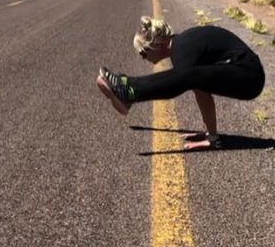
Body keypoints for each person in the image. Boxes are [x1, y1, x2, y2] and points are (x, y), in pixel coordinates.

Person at [97, 16, 265, 149]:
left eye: (144, 52)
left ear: (158, 43)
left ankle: (130, 91)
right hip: (246, 72)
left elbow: (197, 90)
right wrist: (209, 134)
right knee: (190, 77)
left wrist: (212, 138)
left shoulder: (182, 51)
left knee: (186, 76)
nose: (144, 58)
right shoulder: (183, 45)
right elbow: (202, 91)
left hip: (249, 77)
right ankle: (129, 91)